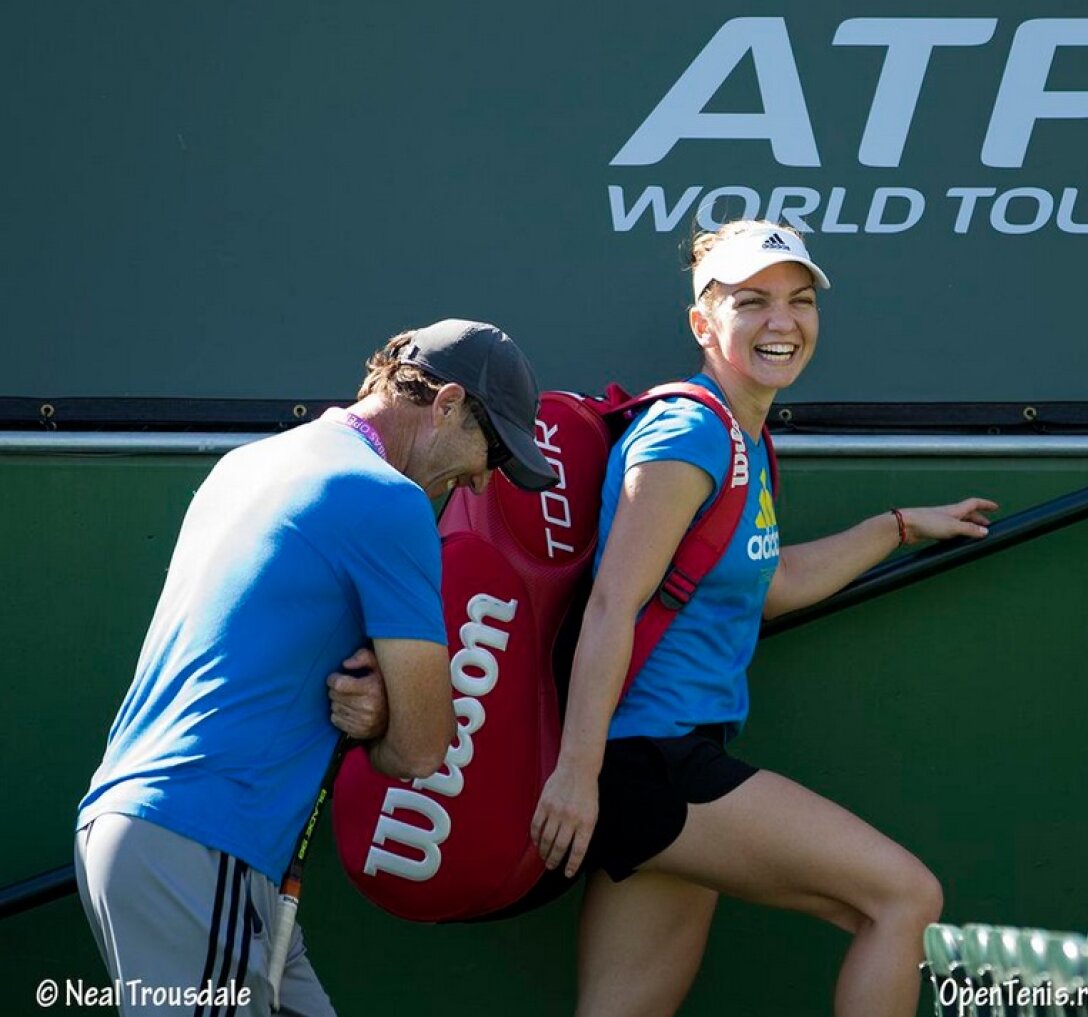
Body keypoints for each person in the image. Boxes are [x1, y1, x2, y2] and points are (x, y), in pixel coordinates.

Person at [529, 221, 999, 1017]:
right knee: (903, 899)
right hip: (650, 761)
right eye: (753, 302)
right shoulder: (689, 432)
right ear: (703, 323)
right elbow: (615, 600)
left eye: (800, 300)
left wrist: (897, 526)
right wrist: (576, 774)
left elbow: (771, 579)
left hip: (661, 758)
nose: (783, 322)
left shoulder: (741, 434)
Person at [75, 319, 557, 1015]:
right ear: (447, 403)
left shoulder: (248, 463)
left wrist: (381, 706)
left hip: (160, 840)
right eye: (493, 448)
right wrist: (391, 713)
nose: (483, 480)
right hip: (200, 846)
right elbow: (422, 747)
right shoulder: (387, 501)